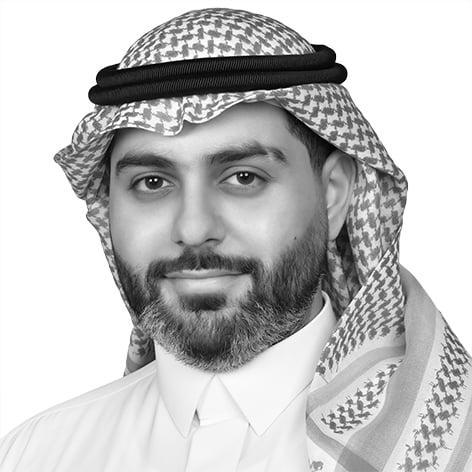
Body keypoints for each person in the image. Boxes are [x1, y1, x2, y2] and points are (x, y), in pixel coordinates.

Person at [0, 7, 471, 472]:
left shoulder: (453, 445)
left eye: (244, 177)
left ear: (333, 194)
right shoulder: (36, 454)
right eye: (152, 182)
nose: (193, 229)